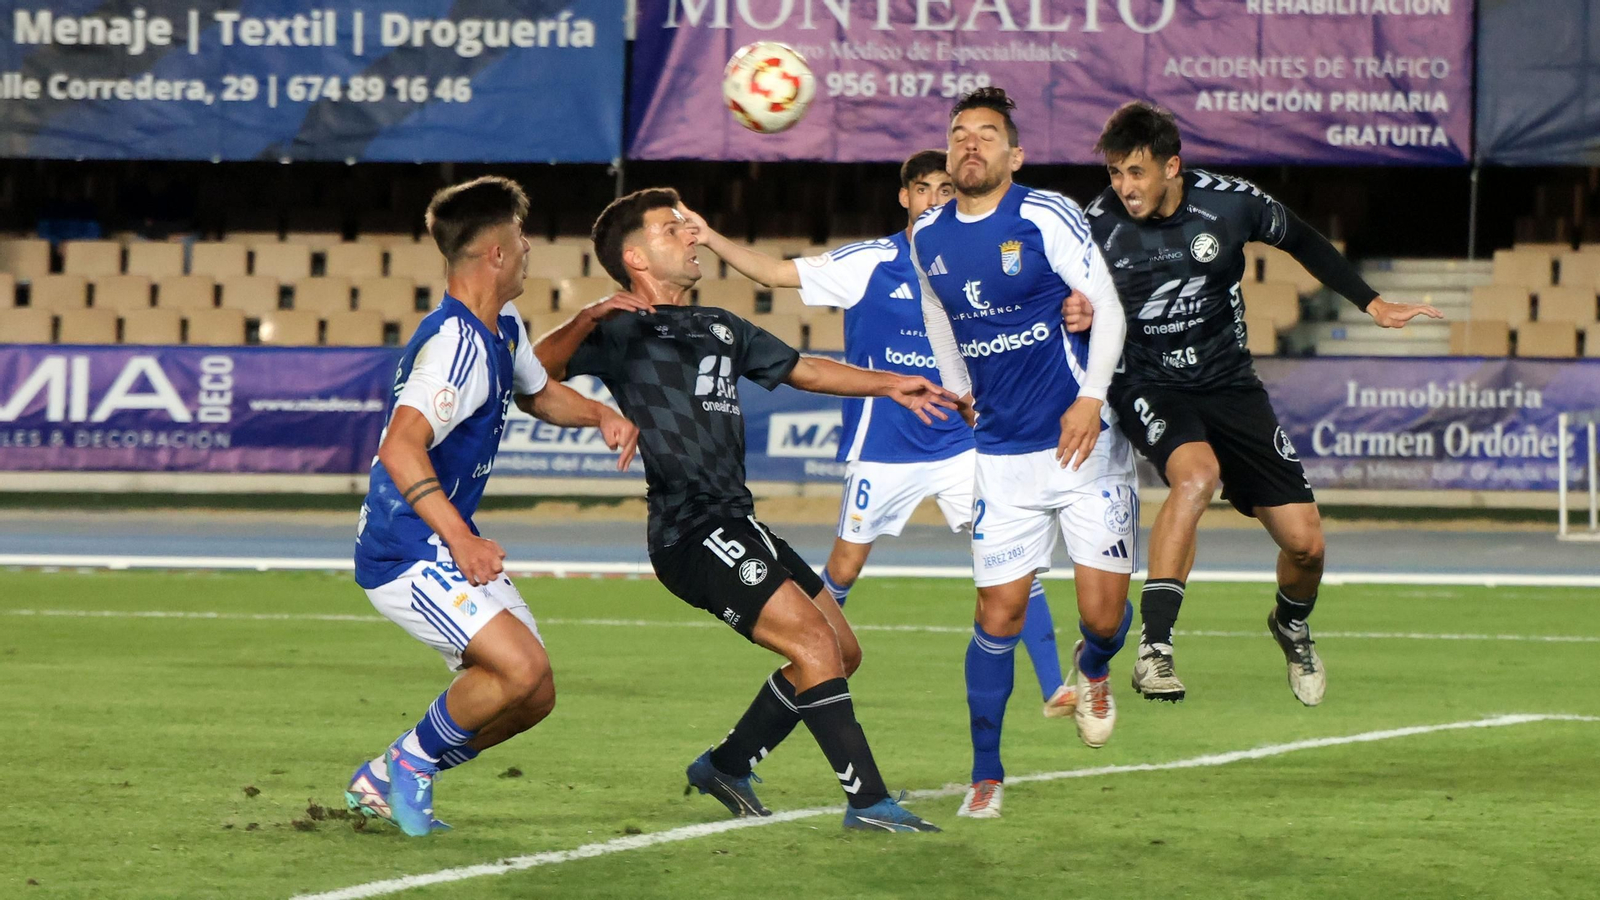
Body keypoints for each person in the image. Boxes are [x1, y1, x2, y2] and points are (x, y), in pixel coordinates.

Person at [534, 187, 957, 833]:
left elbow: (801, 369)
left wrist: (889, 383)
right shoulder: (618, 329)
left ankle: (727, 765)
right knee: (815, 644)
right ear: (635, 257)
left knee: (840, 651)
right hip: (688, 529)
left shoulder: (719, 326)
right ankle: (868, 802)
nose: (689, 235)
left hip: (738, 520)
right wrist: (588, 321)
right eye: (671, 229)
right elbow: (532, 375)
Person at [1068, 101, 1443, 705]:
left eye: (1135, 172)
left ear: (1173, 166)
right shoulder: (1095, 223)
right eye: (1115, 173)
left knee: (1306, 544)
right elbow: (1058, 287)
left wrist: (1372, 303)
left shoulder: (1229, 202)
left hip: (1230, 385)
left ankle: (1291, 626)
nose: (1124, 187)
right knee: (1196, 477)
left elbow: (1304, 240)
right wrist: (1075, 305)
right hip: (1147, 382)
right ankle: (1154, 650)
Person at [678, 150, 1075, 717]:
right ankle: (811, 657)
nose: (935, 199)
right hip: (882, 447)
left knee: (1010, 555)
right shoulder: (869, 261)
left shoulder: (977, 258)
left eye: (945, 189)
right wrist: (713, 237)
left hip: (959, 442)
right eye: (923, 189)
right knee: (842, 567)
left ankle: (1054, 685)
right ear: (904, 197)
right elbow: (774, 274)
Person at [343, 176, 640, 837]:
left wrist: (599, 414)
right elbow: (400, 447)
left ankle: (385, 777)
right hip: (406, 548)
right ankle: (408, 766)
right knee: (521, 668)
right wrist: (461, 540)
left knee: (535, 696)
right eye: (521, 235)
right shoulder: (453, 345)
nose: (530, 246)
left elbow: (537, 393)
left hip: (439, 540)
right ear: (496, 255)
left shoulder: (500, 324)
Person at [913, 87, 1137, 820]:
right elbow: (937, 317)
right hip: (1002, 458)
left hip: (1081, 448)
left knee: (1102, 619)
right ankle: (986, 772)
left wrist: (1090, 397)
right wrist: (955, 388)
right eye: (958, 134)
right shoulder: (928, 236)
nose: (969, 144)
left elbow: (1105, 304)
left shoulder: (1044, 213)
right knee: (997, 614)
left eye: (986, 134)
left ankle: (1094, 668)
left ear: (1015, 154)